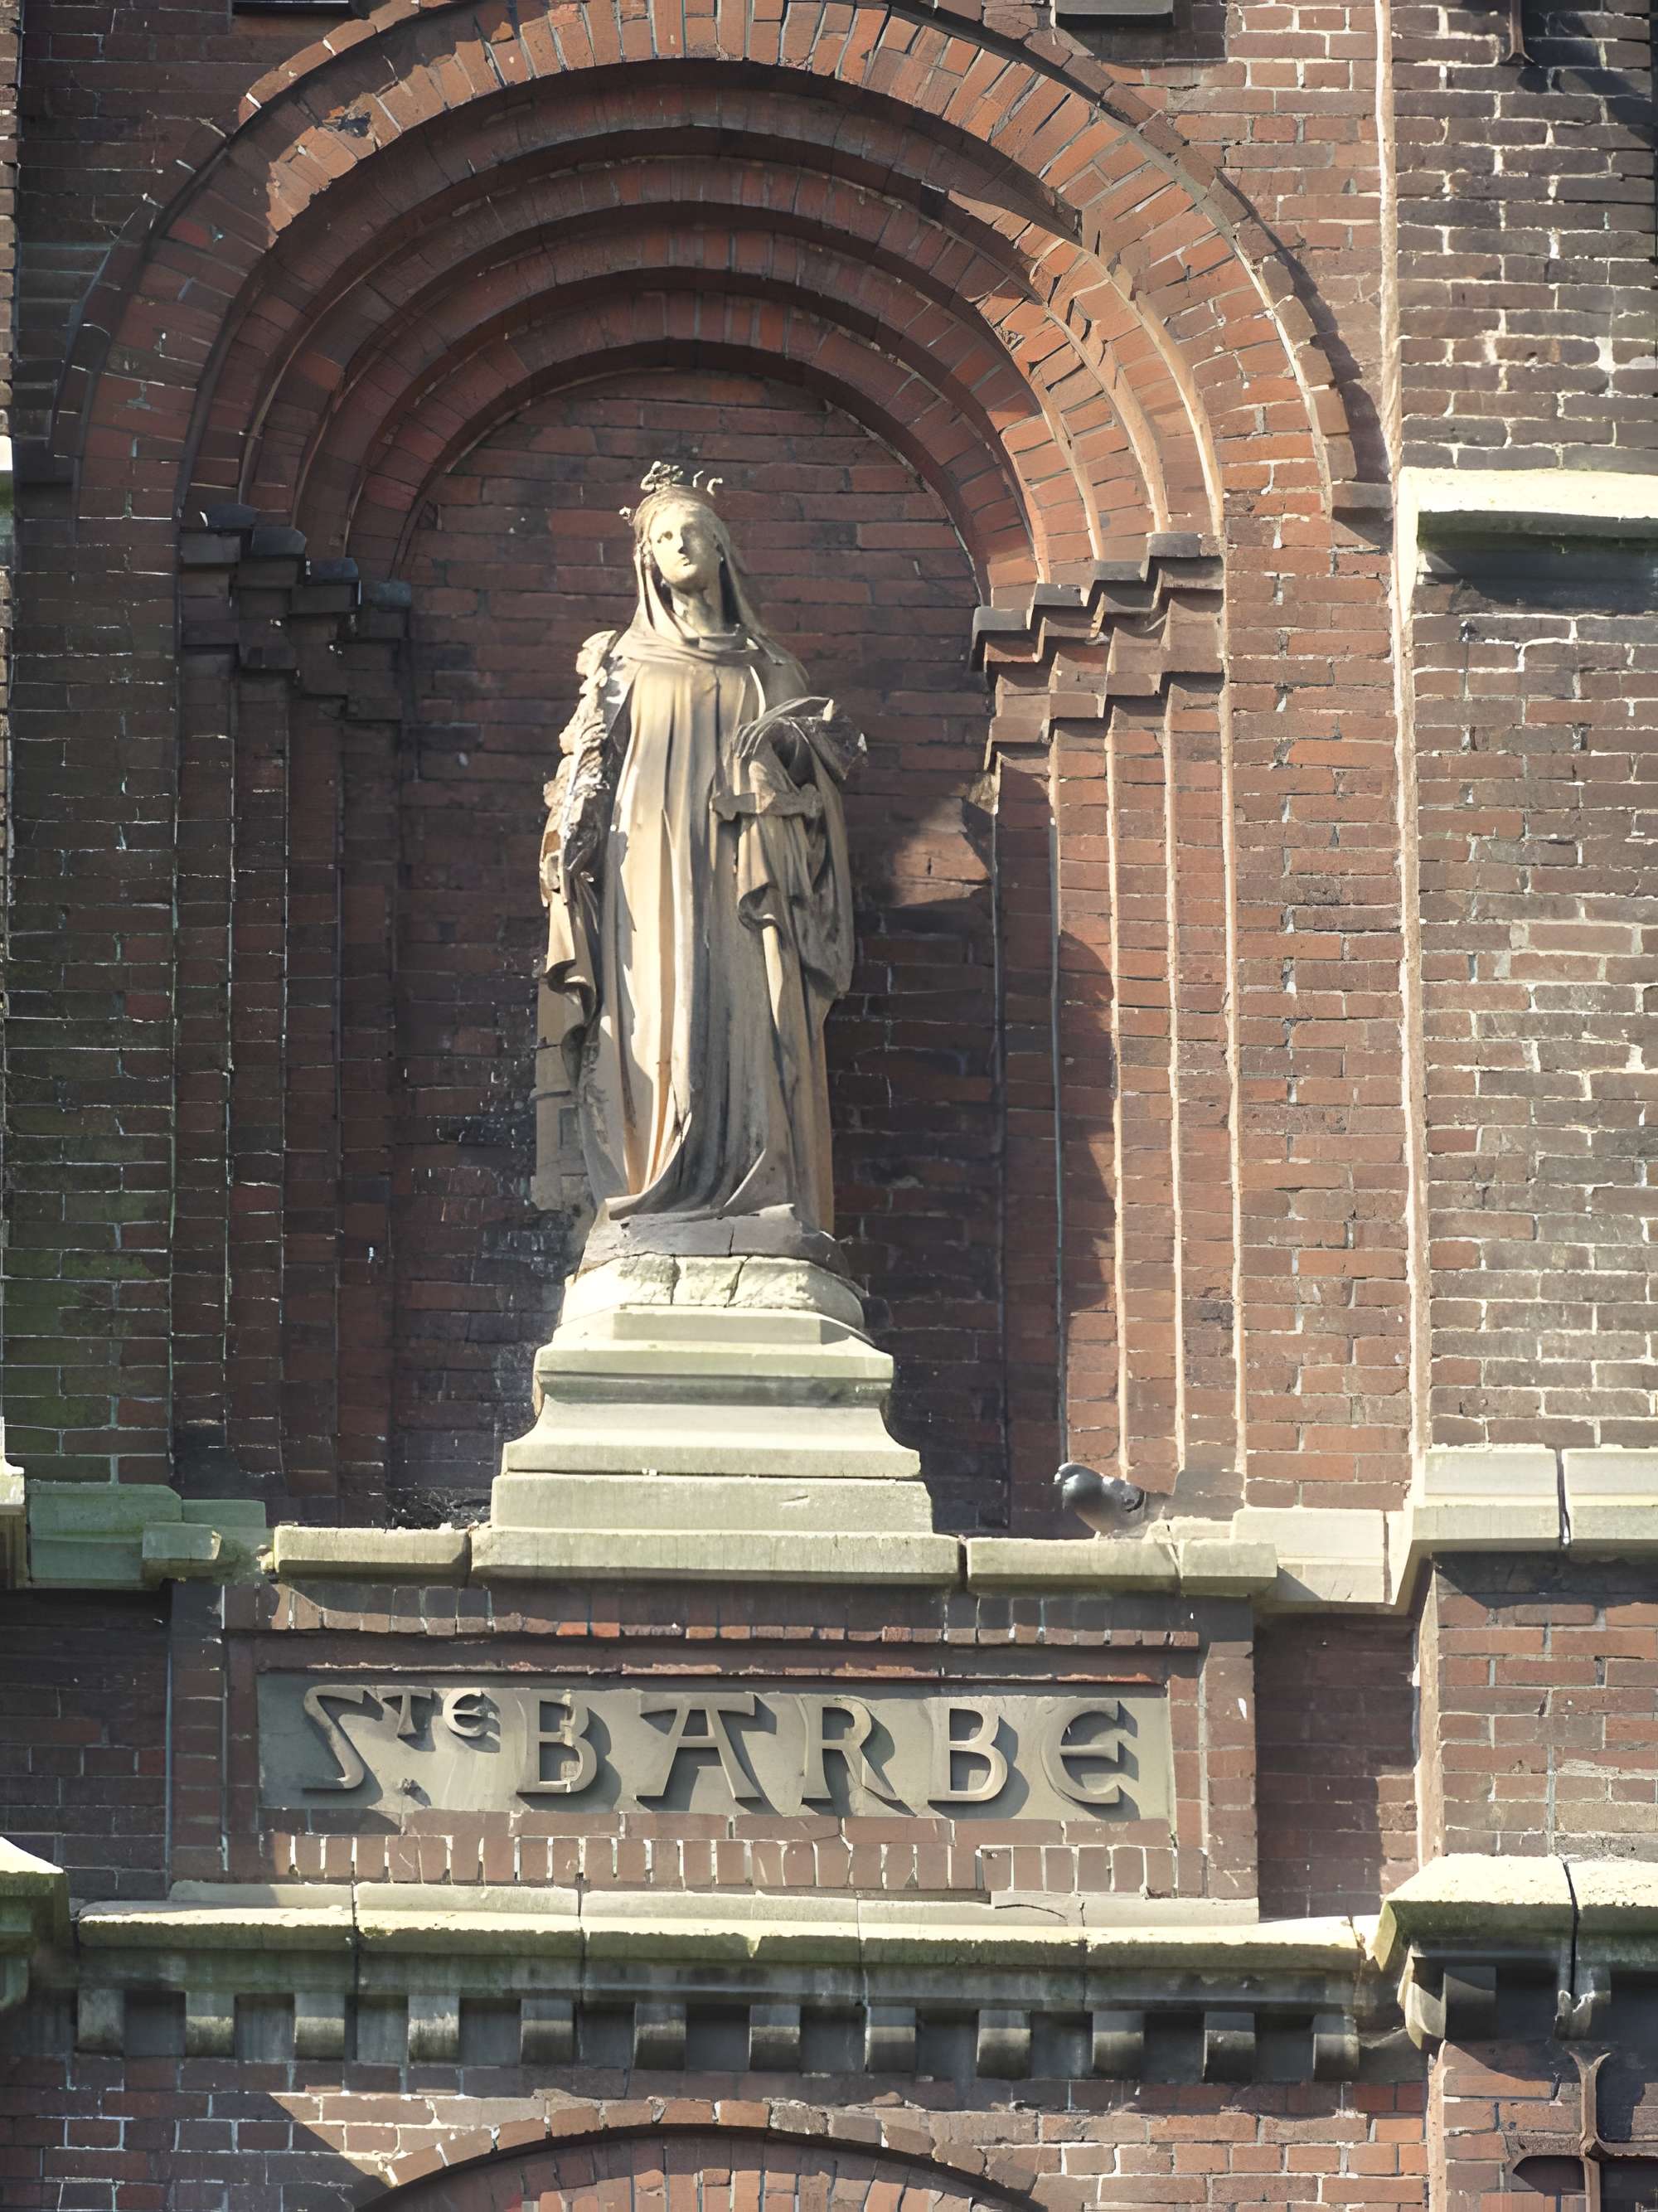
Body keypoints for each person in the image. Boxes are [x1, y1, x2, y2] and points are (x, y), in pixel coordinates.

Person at [540, 463, 863, 1273]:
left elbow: (816, 797)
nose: (680, 546)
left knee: (754, 1022)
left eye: (694, 532)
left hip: (746, 877)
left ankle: (759, 1194)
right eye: (663, 538)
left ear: (722, 549)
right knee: (658, 1017)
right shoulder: (620, 664)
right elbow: (585, 778)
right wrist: (570, 834)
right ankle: (652, 1190)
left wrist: (793, 755)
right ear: (646, 561)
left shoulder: (771, 669)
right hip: (647, 877)